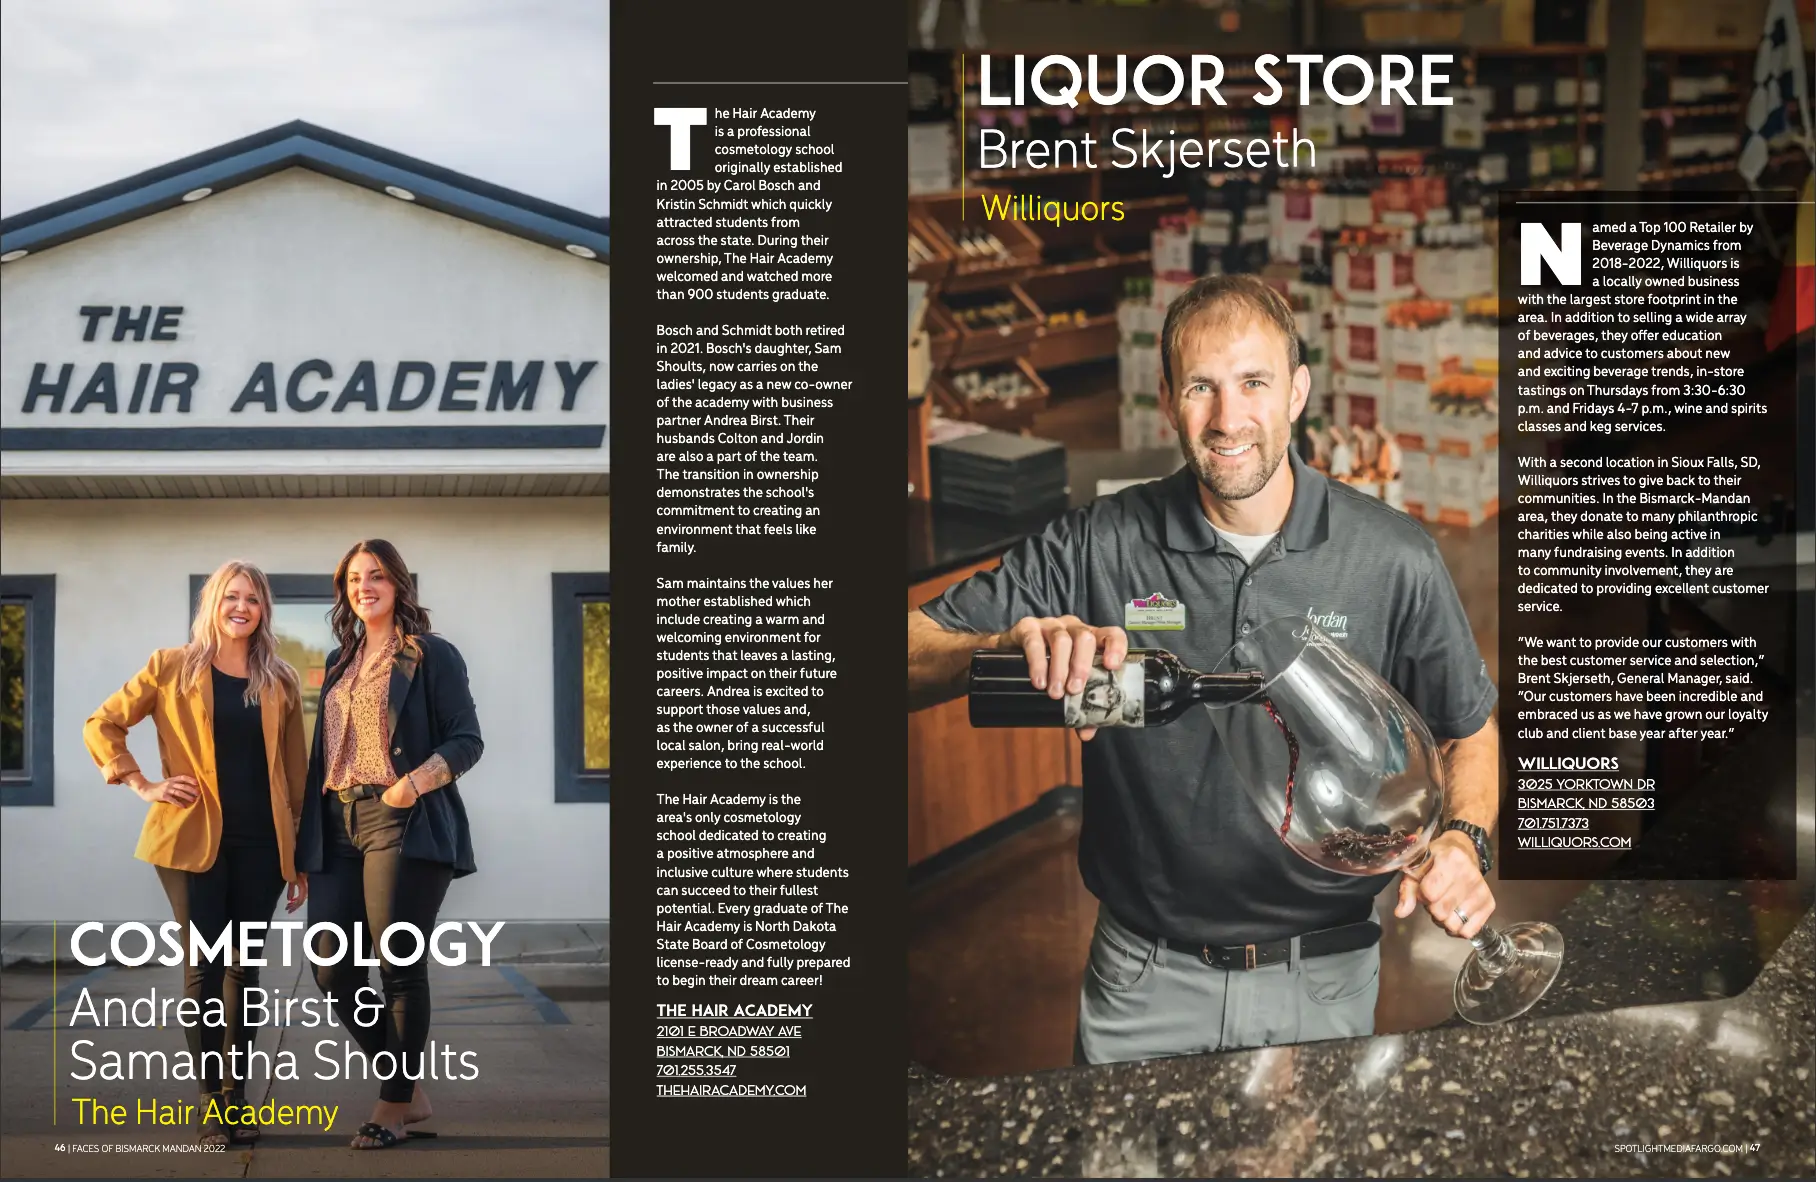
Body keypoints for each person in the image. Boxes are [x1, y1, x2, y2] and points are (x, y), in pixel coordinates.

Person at [908, 274, 1501, 1064]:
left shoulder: (1392, 556)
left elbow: (1468, 731)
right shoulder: (1099, 545)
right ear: (1167, 398)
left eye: (1254, 383)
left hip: (1325, 980)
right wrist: (1002, 648)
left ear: (1297, 393)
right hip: (1142, 983)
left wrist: (1462, 841)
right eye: (1202, 388)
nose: (1229, 420)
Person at [85, 560, 308, 1145]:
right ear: (211, 604)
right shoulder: (170, 666)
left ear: (264, 611)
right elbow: (102, 724)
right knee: (203, 966)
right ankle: (212, 1103)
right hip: (189, 840)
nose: (242, 607)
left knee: (244, 969)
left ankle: (237, 1097)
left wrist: (299, 855)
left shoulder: (280, 679)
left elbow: (295, 773)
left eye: (253, 599)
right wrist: (143, 784)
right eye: (231, 596)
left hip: (262, 843)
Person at [294, 539, 483, 1150]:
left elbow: (466, 739)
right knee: (330, 965)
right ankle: (406, 1089)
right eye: (353, 578)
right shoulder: (340, 660)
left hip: (400, 818)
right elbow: (323, 755)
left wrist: (412, 785)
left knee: (397, 964)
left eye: (375, 576)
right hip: (336, 820)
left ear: (398, 584)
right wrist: (303, 848)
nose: (363, 587)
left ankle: (392, 1106)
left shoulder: (430, 655)